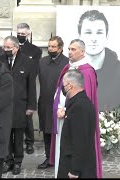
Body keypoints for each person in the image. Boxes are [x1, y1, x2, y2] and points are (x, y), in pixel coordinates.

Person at [49, 39, 102, 178]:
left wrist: (67, 110)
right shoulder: (67, 68)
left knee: (77, 144)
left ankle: (74, 170)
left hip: (76, 117)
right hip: (63, 117)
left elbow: (85, 98)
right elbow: (59, 92)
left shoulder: (88, 71)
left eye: (73, 49)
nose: (70, 52)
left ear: (83, 51)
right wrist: (59, 108)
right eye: (69, 49)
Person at [77, 9, 120, 111]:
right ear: (79, 37)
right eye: (88, 32)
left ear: (107, 37)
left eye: (99, 33)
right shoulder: (72, 72)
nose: (94, 38)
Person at [0, 36, 37, 175]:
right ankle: (8, 160)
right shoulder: (0, 59)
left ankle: (18, 162)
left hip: (20, 105)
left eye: (9, 48)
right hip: (3, 105)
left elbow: (31, 86)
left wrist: (31, 106)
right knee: (6, 135)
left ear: (16, 47)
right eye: (5, 47)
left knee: (18, 135)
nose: (6, 50)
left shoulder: (27, 62)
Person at [37, 36, 69, 169]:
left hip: (61, 104)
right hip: (45, 102)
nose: (50, 49)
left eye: (53, 46)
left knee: (61, 132)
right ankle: (48, 158)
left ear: (60, 49)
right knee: (47, 131)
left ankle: (62, 159)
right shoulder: (43, 61)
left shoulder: (67, 63)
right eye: (49, 46)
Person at [58, 69, 96, 178]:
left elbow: (81, 141)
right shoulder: (77, 103)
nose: (63, 88)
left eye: (64, 84)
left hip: (76, 169)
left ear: (70, 85)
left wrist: (75, 170)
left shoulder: (79, 107)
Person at [16, 23, 42, 154]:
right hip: (14, 86)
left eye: (22, 34)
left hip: (28, 85)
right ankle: (17, 142)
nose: (20, 36)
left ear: (28, 34)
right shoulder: (12, 47)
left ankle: (29, 142)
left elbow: (35, 69)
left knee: (28, 117)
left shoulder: (35, 50)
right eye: (18, 33)